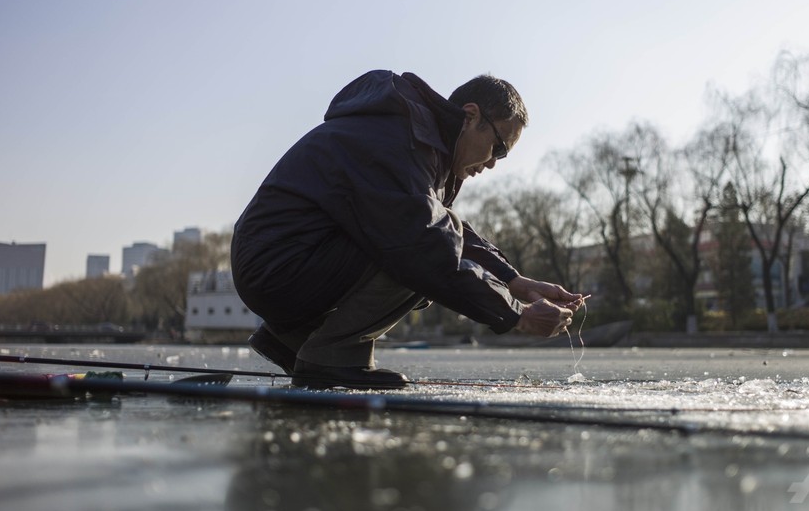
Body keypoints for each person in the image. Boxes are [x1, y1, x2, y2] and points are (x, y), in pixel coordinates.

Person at [231, 70, 581, 390]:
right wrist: (515, 316)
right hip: (277, 268)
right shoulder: (399, 142)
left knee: (431, 236)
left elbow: (440, 227)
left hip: (280, 263)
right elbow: (428, 245)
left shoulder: (418, 142)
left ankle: (290, 339)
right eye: (499, 148)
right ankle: (331, 356)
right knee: (417, 254)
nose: (492, 163)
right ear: (471, 115)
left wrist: (513, 281)